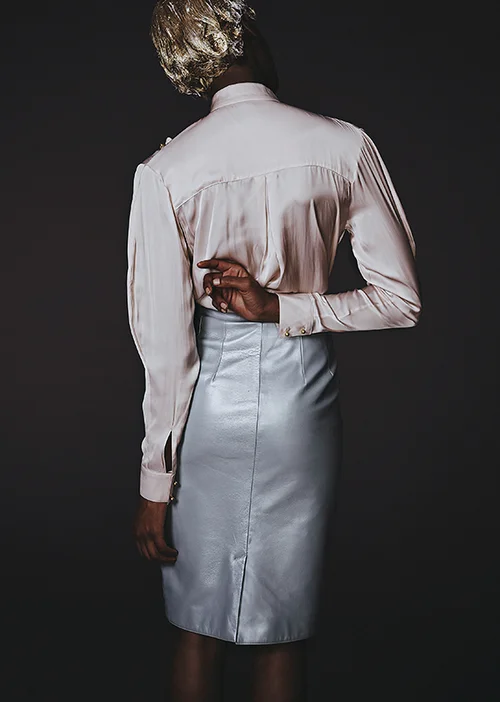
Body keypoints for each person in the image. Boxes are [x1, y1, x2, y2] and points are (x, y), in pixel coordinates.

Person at [125, 2, 422, 700]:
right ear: (247, 35)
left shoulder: (165, 170)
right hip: (301, 402)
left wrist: (154, 483)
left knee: (196, 626)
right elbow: (401, 299)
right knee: (283, 628)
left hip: (208, 410)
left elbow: (165, 350)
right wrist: (288, 308)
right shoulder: (342, 146)